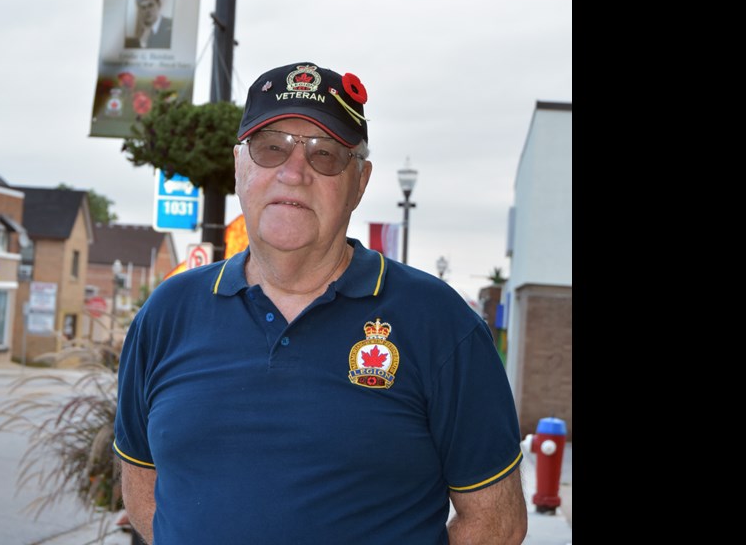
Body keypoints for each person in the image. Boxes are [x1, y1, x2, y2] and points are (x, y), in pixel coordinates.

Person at [113, 61, 528, 544]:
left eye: (325, 155)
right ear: (239, 165)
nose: (294, 173)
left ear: (360, 181)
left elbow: (497, 522)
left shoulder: (439, 324)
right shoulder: (168, 314)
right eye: (270, 149)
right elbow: (141, 479)